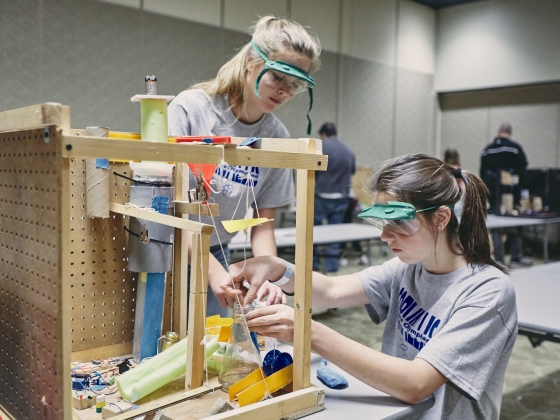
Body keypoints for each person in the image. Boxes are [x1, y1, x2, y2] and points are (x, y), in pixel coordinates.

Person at [223, 154, 517, 420]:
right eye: (381, 223)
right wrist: (277, 267)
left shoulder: (488, 293)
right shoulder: (409, 267)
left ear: (440, 218)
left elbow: (416, 383)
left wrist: (305, 330)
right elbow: (331, 291)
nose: (385, 235)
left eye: (399, 224)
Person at [167, 15, 322, 316]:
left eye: (295, 85)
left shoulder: (276, 137)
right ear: (252, 61)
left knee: (209, 348)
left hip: (216, 252)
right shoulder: (192, 109)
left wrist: (267, 274)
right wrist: (213, 273)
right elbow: (172, 210)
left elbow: (263, 224)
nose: (284, 91)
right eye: (278, 77)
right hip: (166, 249)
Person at [480, 123, 531, 265]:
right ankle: (516, 255)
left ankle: (499, 259)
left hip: (493, 194)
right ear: (510, 132)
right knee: (516, 221)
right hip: (511, 193)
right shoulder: (515, 148)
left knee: (496, 224)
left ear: (498, 132)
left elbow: (482, 172)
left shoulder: (487, 150)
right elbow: (523, 168)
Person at [313, 122, 356, 272]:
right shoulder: (348, 150)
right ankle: (332, 266)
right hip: (340, 196)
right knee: (335, 232)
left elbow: (313, 171)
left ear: (323, 134)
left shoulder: (321, 147)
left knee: (314, 231)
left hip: (321, 195)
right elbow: (352, 172)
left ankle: (314, 264)